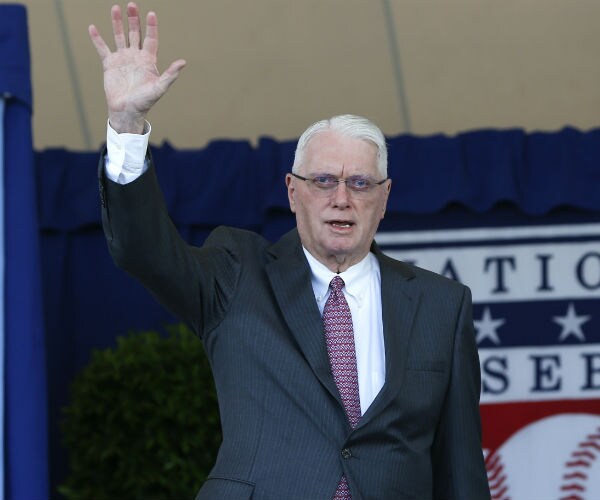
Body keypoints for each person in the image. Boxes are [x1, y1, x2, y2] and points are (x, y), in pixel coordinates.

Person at [89, 3, 491, 499]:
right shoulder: (236, 273)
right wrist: (126, 125)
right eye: (322, 180)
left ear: (384, 198)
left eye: (360, 183)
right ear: (292, 191)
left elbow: (459, 468)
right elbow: (143, 251)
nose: (341, 198)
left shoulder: (440, 305)